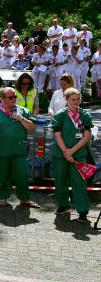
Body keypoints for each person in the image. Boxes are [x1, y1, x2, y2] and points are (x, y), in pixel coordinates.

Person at [0, 87, 39, 208]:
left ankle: (24, 199)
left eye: (15, 96)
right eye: (11, 97)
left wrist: (21, 119)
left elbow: (32, 127)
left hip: (19, 151)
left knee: (22, 176)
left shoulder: (23, 111)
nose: (14, 99)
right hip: (1, 152)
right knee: (3, 176)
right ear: (2, 99)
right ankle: (3, 198)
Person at [51, 88, 94, 222]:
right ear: (66, 100)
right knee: (60, 181)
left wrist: (71, 151)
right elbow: (57, 135)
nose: (76, 102)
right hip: (60, 154)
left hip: (79, 154)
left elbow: (86, 136)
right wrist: (65, 151)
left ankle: (82, 211)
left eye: (78, 99)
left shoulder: (85, 115)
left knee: (79, 183)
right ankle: (63, 205)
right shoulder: (60, 115)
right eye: (73, 99)